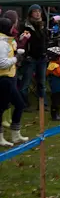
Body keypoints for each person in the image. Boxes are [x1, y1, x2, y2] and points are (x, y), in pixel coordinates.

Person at [0, 18, 28, 146]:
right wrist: (16, 58)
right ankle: (2, 138)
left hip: (9, 77)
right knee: (3, 108)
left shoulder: (6, 41)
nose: (13, 29)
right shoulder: (2, 43)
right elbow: (2, 63)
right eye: (11, 27)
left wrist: (17, 53)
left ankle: (15, 135)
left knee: (18, 105)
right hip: (4, 78)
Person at [18, 4, 49, 110]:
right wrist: (25, 55)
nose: (37, 13)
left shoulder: (43, 25)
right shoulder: (25, 26)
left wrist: (46, 52)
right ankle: (24, 104)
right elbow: (22, 42)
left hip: (42, 58)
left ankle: (43, 104)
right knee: (25, 84)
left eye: (39, 11)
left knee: (42, 83)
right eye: (35, 11)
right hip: (30, 58)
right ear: (31, 13)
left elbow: (46, 40)